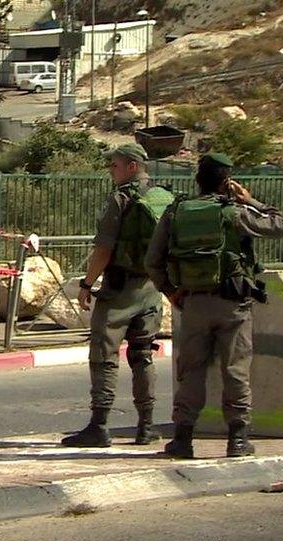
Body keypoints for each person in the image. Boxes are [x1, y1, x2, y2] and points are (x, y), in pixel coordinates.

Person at [145, 153, 283, 459]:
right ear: (227, 182)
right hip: (232, 305)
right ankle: (238, 439)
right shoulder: (235, 213)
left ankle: (183, 439)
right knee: (235, 369)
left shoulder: (176, 212)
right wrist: (253, 201)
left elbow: (153, 262)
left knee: (191, 370)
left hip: (193, 303)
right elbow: (280, 225)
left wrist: (172, 292)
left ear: (197, 181)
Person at [62, 143, 175, 448]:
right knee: (143, 355)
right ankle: (147, 425)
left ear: (132, 167)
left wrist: (87, 284)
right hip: (150, 289)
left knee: (104, 355)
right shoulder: (161, 197)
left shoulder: (120, 199)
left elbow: (103, 248)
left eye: (115, 165)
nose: (111, 170)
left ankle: (99, 426)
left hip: (120, 289)